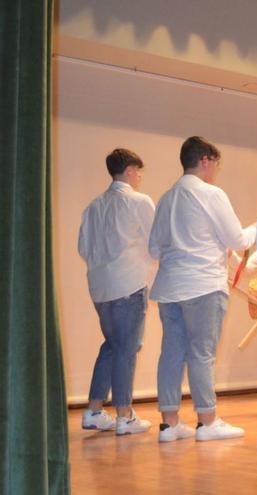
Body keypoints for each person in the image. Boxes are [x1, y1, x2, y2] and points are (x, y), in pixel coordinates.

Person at [149, 136, 256, 442]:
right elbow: (238, 240)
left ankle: (169, 424)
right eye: (215, 163)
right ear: (206, 160)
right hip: (203, 286)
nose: (215, 170)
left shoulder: (167, 197)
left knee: (171, 353)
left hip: (169, 288)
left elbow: (154, 249)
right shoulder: (211, 194)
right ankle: (207, 421)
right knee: (201, 354)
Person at [78, 148, 155, 435]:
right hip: (128, 284)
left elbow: (83, 248)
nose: (140, 177)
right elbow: (155, 240)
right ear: (131, 170)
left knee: (111, 346)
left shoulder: (93, 206)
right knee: (126, 349)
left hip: (100, 287)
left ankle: (94, 410)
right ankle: (125, 414)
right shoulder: (139, 201)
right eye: (139, 171)